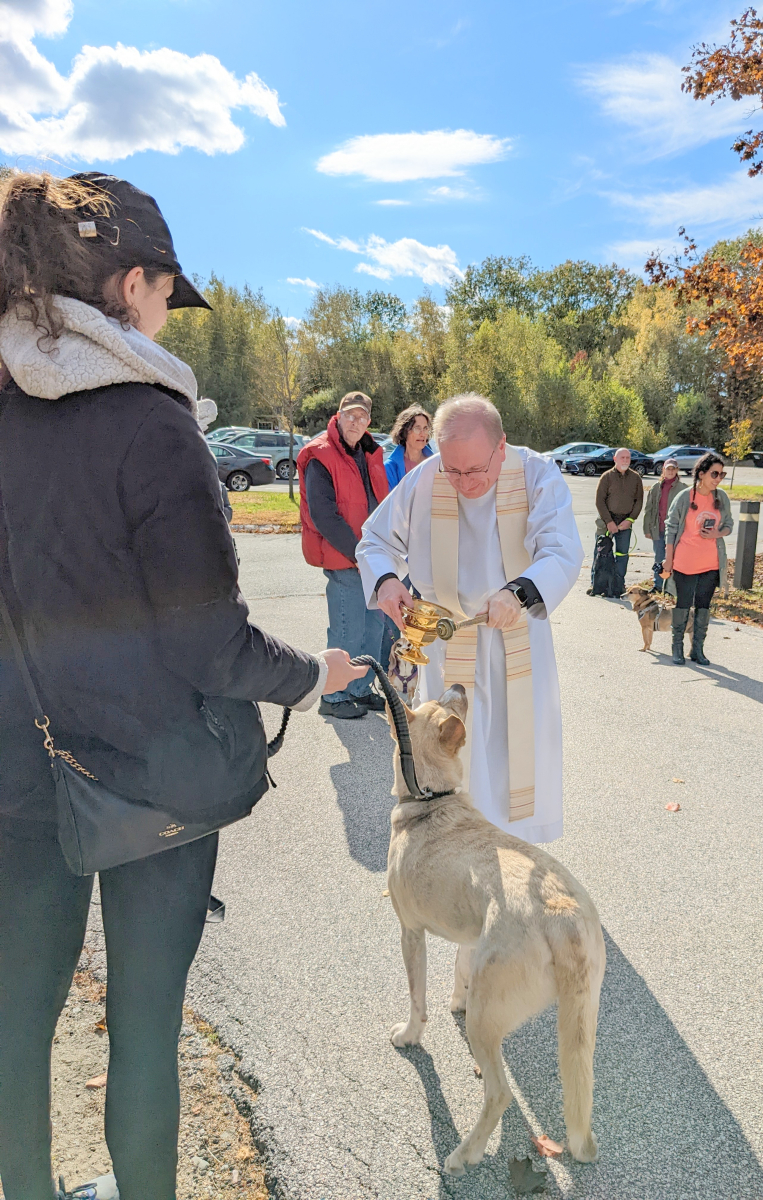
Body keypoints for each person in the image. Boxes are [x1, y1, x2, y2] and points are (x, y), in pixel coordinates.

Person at [0, 170, 367, 1200]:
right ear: (131, 285)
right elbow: (209, 642)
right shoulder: (149, 420)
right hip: (150, 778)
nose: (169, 315)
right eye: (166, 293)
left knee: (14, 1033)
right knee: (145, 1032)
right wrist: (310, 675)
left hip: (14, 776)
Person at [357, 393, 583, 845]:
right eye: (453, 470)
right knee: (454, 747)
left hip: (515, 640)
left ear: (501, 446)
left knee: (510, 754)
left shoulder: (537, 475)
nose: (464, 482)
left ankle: (515, 851)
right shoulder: (425, 478)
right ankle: (460, 848)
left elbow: (560, 550)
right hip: (447, 643)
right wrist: (386, 582)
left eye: (476, 470)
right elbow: (375, 540)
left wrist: (517, 592)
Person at [297, 391, 391, 720]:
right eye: (350, 415)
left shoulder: (368, 453)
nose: (356, 422)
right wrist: (358, 554)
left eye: (362, 417)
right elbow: (324, 516)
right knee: (346, 631)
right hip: (346, 558)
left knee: (373, 627)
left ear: (368, 422)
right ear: (338, 416)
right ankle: (333, 694)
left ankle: (360, 689)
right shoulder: (321, 454)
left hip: (372, 558)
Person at [661, 452, 734, 666]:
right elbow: (671, 528)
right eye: (714, 473)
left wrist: (717, 534)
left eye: (722, 474)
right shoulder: (685, 497)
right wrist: (668, 559)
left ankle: (698, 649)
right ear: (701, 474)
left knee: (703, 606)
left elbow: (729, 524)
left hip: (711, 563)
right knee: (683, 604)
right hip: (685, 561)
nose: (718, 478)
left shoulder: (721, 498)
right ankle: (677, 647)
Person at [592, 448, 643, 597]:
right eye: (622, 458)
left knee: (622, 555)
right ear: (615, 459)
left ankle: (618, 586)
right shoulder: (606, 477)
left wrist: (630, 520)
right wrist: (608, 522)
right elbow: (599, 501)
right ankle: (596, 584)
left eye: (628, 458)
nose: (625, 460)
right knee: (600, 553)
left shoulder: (636, 478)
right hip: (607, 521)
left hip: (625, 522)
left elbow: (639, 501)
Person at [642, 458, 686, 591]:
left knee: (675, 559)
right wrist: (647, 528)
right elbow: (649, 509)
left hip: (675, 532)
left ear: (677, 470)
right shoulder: (656, 487)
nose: (670, 471)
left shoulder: (683, 489)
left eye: (673, 469)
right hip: (658, 529)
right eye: (668, 469)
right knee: (659, 557)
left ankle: (672, 588)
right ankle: (658, 585)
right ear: (663, 470)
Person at [383, 405, 433, 489]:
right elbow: (390, 501)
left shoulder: (436, 463)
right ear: (404, 432)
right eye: (417, 428)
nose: (422, 434)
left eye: (425, 428)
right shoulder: (390, 467)